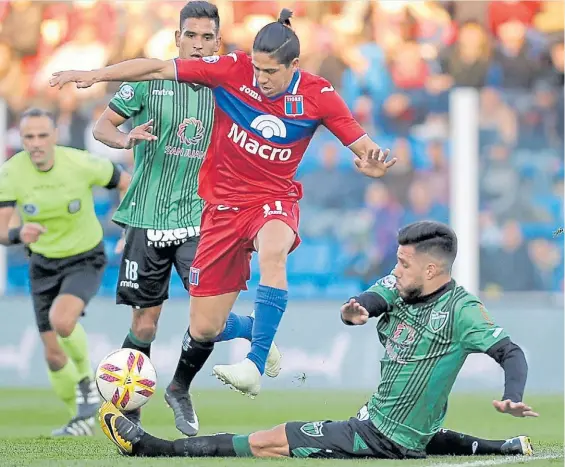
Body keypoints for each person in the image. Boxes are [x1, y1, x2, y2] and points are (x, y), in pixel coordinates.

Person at [50, 7, 395, 418]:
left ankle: (254, 361)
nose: (261, 78)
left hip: (273, 199)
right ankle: (246, 337)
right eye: (258, 68)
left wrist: (373, 163)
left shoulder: (319, 95)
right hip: (221, 211)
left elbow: (363, 146)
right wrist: (96, 74)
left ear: (295, 66)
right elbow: (157, 67)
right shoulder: (233, 70)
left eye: (270, 72)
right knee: (205, 327)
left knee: (274, 252)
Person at [97, 220, 536, 460]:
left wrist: (512, 395)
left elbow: (509, 352)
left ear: (432, 271)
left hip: (379, 437)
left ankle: (153, 449)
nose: (396, 268)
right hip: (388, 421)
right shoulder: (402, 284)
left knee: (268, 440)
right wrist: (355, 309)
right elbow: (368, 300)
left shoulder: (461, 311)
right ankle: (503, 448)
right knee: (424, 435)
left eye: (404, 263)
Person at [91, 0, 281, 436]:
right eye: (190, 36)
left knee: (205, 321)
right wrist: (125, 138)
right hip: (145, 213)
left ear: (219, 41)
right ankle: (130, 407)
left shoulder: (230, 87)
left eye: (207, 37)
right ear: (178, 38)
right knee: (145, 322)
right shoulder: (149, 81)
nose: (198, 45)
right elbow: (103, 127)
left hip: (203, 218)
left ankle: (179, 387)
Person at [0, 107, 130, 436]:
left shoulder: (80, 163)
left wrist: (127, 225)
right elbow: (2, 231)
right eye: (29, 137)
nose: (36, 143)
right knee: (54, 356)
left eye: (43, 135)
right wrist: (18, 234)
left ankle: (87, 383)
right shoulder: (11, 173)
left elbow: (125, 179)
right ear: (22, 139)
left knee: (62, 321)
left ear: (55, 136)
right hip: (42, 263)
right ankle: (82, 418)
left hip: (84, 257)